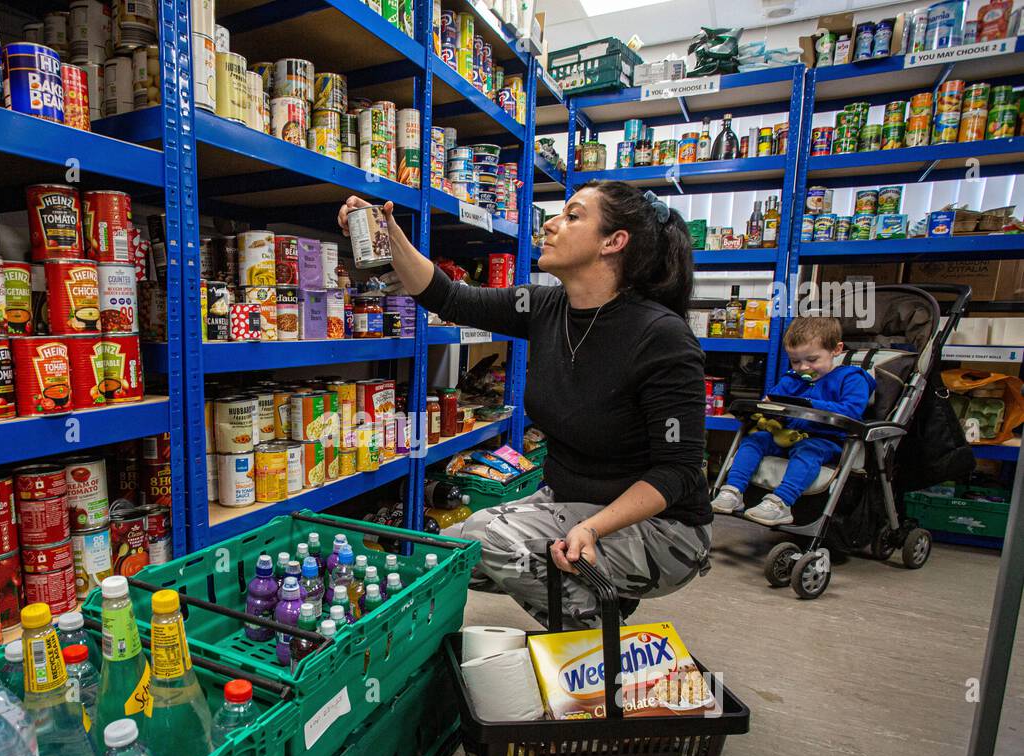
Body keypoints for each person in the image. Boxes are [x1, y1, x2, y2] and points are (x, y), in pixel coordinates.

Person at [337, 182, 712, 627]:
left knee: (491, 539)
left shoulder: (661, 337)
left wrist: (593, 528)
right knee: (444, 555)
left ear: (614, 242)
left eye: (573, 216)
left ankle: (596, 652)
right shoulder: (545, 306)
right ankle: (594, 598)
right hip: (571, 504)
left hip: (664, 531)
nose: (551, 224)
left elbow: (679, 469)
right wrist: (389, 232)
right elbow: (447, 296)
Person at [712, 313, 875, 525]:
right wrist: (767, 406)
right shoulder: (793, 378)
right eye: (795, 361)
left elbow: (851, 410)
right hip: (786, 436)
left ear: (836, 349)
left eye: (812, 360)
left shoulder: (852, 378)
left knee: (809, 451)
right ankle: (733, 491)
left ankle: (781, 503)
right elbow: (774, 401)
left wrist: (809, 405)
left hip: (826, 439)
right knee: (755, 440)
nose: (803, 367)